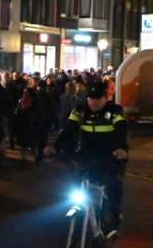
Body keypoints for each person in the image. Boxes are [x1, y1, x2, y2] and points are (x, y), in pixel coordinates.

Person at [46, 80, 130, 235]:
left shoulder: (115, 111)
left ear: (105, 98)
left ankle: (114, 217)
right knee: (75, 180)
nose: (94, 103)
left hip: (110, 156)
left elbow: (121, 130)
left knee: (112, 183)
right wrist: (55, 147)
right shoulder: (80, 110)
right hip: (87, 155)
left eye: (98, 99)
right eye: (91, 99)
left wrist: (121, 149)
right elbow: (68, 130)